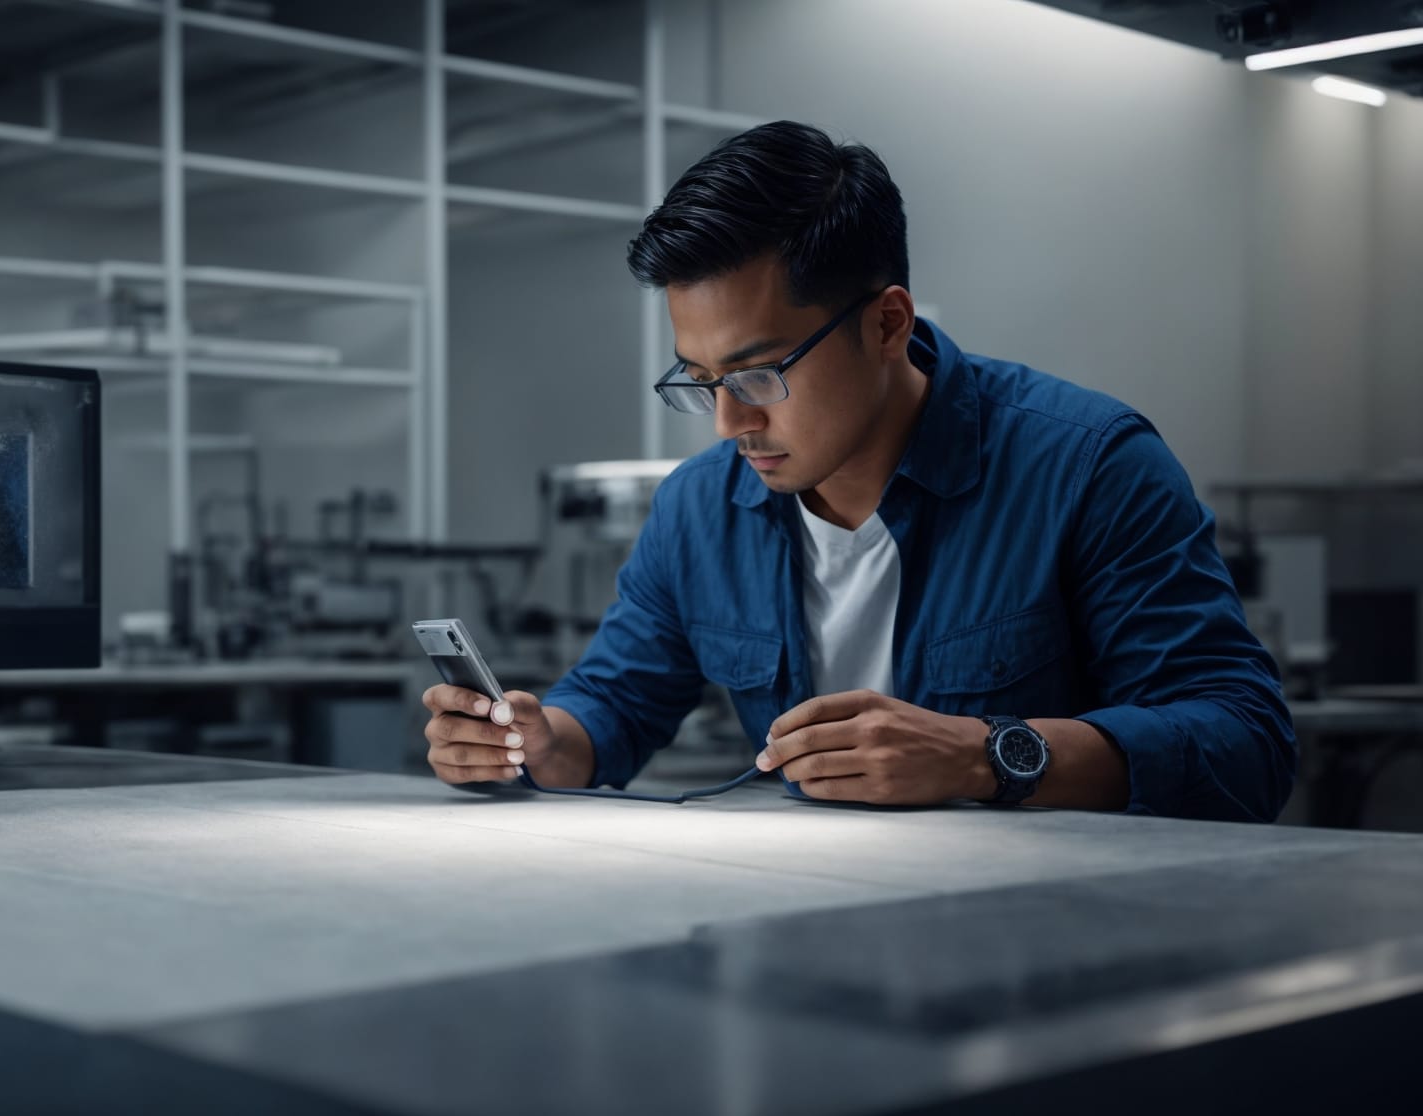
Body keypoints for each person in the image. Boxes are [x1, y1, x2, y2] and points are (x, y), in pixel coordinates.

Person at [420, 121, 1295, 822]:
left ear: (886, 323)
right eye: (702, 379)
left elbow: (1245, 746)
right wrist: (535, 743)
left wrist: (987, 756)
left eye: (760, 374)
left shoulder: (1088, 465)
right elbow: (611, 707)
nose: (731, 422)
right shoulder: (702, 507)